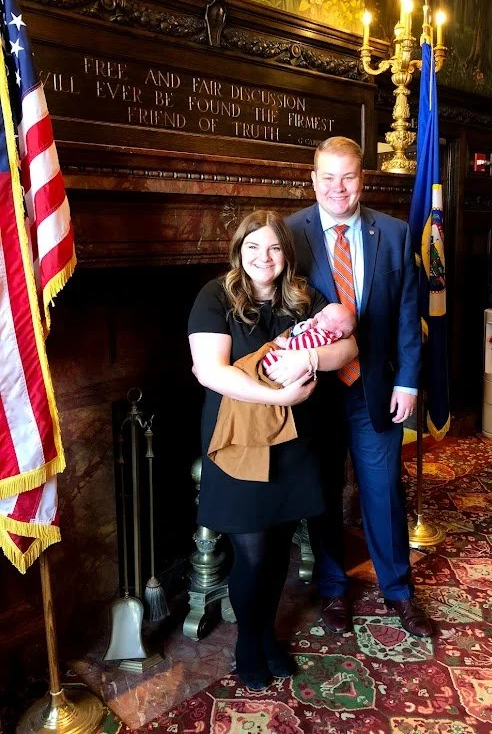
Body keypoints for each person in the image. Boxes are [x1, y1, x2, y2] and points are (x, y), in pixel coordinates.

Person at [263, 136, 435, 639]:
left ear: (364, 178)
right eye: (328, 177)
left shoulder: (396, 233)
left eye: (349, 177)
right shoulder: (287, 235)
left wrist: (408, 381)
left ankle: (399, 592)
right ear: (313, 179)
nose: (339, 188)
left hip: (375, 390)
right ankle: (333, 589)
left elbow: (408, 315)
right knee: (322, 492)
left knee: (382, 491)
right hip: (312, 390)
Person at [188, 209, 358, 691]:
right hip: (238, 439)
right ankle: (250, 641)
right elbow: (210, 372)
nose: (264, 257)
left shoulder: (304, 296)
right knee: (253, 552)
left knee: (280, 547)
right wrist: (278, 396)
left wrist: (310, 357)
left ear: (287, 253)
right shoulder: (215, 296)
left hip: (294, 442)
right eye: (253, 247)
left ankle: (267, 638)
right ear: (239, 251)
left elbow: (348, 348)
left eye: (274, 247)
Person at [262, 302, 356, 370]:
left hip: (276, 364)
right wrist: (305, 327)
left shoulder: (322, 336)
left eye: (326, 317)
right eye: (321, 312)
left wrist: (287, 343)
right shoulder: (318, 332)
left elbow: (302, 344)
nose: (318, 315)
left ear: (337, 334)